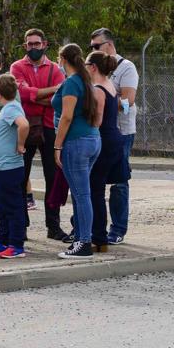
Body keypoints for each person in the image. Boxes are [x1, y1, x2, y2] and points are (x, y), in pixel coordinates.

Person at [11, 30, 66, 239]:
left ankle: (54, 226)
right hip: (24, 126)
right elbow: (22, 94)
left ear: (45, 44)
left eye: (37, 44)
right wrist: (48, 92)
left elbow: (58, 97)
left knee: (53, 177)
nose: (33, 48)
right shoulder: (17, 67)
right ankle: (20, 227)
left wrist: (34, 97)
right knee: (20, 177)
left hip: (50, 127)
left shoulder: (55, 68)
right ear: (25, 45)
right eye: (29, 44)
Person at [53, 44, 103, 258]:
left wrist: (57, 145)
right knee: (83, 194)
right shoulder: (86, 81)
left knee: (81, 195)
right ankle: (81, 239)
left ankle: (84, 242)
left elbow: (66, 116)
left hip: (76, 142)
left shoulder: (72, 83)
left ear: (63, 59)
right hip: (92, 139)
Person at [90, 29, 138, 244]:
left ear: (109, 45)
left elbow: (128, 101)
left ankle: (117, 229)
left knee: (119, 183)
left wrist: (106, 99)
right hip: (100, 133)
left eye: (96, 46)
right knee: (95, 183)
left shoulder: (126, 68)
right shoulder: (96, 69)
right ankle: (89, 227)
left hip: (121, 131)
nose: (93, 50)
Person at [0, 75, 30, 259]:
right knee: (2, 206)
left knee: (12, 206)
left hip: (8, 167)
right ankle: (3, 240)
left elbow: (23, 125)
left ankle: (16, 244)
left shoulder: (11, 108)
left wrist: (20, 144)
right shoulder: (6, 109)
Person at [86, 51, 129, 252]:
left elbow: (97, 120)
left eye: (86, 64)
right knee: (97, 190)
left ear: (93, 67)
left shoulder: (98, 89)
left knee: (95, 191)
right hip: (114, 138)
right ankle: (96, 233)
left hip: (104, 140)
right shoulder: (110, 85)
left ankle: (98, 237)